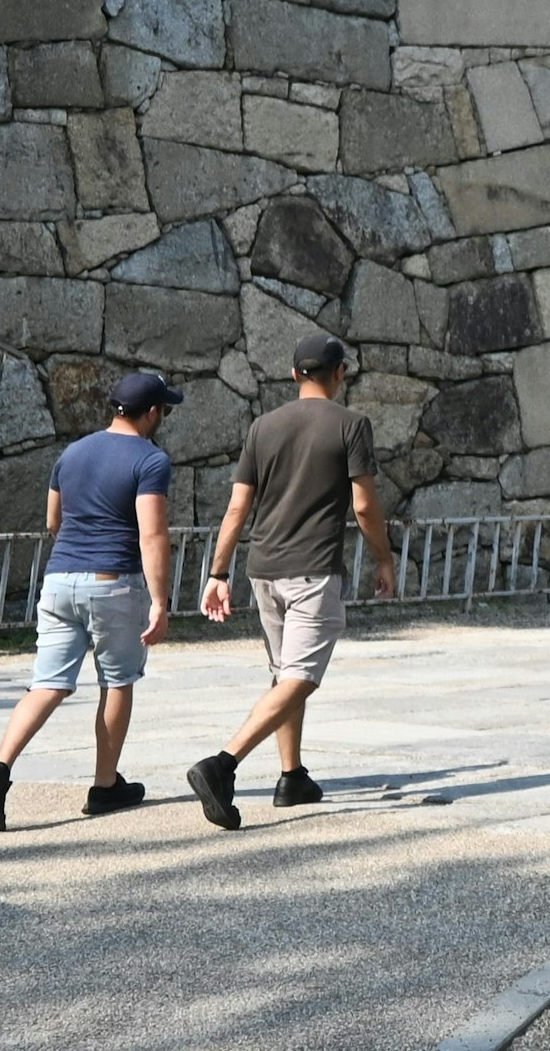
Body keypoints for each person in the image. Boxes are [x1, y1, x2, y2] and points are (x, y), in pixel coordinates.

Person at [186, 333, 395, 829]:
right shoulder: (351, 425)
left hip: (263, 570)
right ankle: (223, 764)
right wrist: (383, 558)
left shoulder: (263, 426)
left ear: (293, 374)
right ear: (340, 373)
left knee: (284, 673)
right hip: (313, 570)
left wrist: (218, 573)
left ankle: (292, 775)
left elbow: (238, 506)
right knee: (301, 676)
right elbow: (364, 505)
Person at [0, 369, 181, 833]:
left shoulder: (72, 452)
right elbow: (151, 533)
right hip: (114, 582)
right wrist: (160, 601)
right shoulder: (150, 460)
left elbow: (53, 521)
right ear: (152, 413)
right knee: (118, 681)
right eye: (163, 409)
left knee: (48, 683)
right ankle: (105, 787)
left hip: (60, 579)